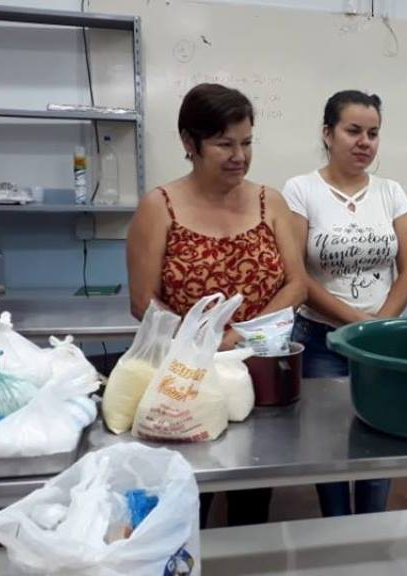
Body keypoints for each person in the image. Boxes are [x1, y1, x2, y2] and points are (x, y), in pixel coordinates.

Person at [126, 82, 306, 527]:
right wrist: (202, 345)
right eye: (224, 144)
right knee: (187, 497)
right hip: (186, 373)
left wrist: (237, 336)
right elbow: (142, 301)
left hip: (257, 368)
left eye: (246, 143)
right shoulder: (160, 207)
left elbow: (297, 284)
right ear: (190, 142)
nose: (239, 156)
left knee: (252, 493)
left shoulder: (271, 203)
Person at [283, 90, 407, 517]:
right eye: (353, 131)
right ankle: (337, 531)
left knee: (380, 443)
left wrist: (377, 326)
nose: (365, 142)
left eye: (373, 133)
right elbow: (298, 276)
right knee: (331, 449)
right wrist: (356, 326)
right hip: (322, 342)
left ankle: (370, 533)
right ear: (328, 134)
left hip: (381, 344)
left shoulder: (391, 191)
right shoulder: (301, 190)